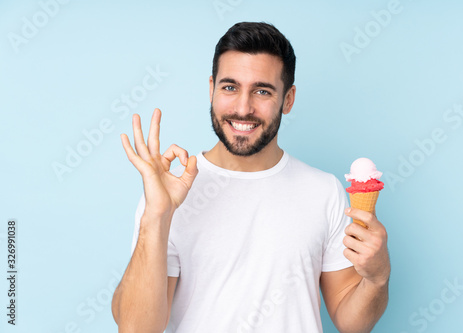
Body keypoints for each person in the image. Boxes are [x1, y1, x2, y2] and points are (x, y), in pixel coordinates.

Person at [111, 22, 390, 333]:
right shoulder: (167, 195)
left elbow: (353, 324)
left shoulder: (324, 191)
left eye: (262, 91)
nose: (243, 108)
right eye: (230, 87)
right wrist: (155, 217)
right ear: (211, 89)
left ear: (288, 99)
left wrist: (378, 278)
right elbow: (137, 329)